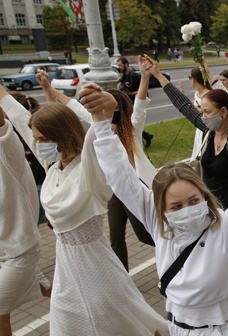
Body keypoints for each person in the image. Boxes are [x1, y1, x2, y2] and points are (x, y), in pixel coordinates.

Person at [89, 81, 228, 335]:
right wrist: (101, 123)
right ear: (162, 210)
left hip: (223, 330)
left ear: (205, 197)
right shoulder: (159, 225)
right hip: (178, 328)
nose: (186, 209)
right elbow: (123, 179)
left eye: (193, 201)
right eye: (175, 206)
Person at [0, 83, 168, 335]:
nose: (39, 144)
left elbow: (99, 134)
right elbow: (19, 116)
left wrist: (108, 109)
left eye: (44, 139)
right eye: (37, 139)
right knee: (66, 323)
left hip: (95, 264)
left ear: (61, 135)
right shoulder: (53, 166)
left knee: (115, 320)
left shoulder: (90, 169)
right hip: (66, 264)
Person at [145, 58, 228, 305]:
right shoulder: (208, 131)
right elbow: (184, 106)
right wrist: (158, 75)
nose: (203, 117)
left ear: (224, 112)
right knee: (225, 266)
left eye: (208, 112)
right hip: (214, 213)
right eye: (203, 112)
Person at [0, 107, 51, 336]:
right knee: (52, 291)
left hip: (20, 251)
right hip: (3, 251)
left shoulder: (8, 150)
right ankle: (88, 300)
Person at [6, 93, 46, 224]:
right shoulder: (9, 131)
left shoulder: (30, 131)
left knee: (31, 223)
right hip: (25, 184)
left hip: (39, 184)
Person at [117, 56, 155, 147]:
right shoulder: (123, 76)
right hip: (127, 102)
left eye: (120, 65)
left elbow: (143, 90)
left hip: (135, 102)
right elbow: (119, 87)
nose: (119, 67)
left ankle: (143, 137)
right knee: (130, 123)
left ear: (126, 64)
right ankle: (146, 136)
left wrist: (130, 93)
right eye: (118, 65)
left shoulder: (134, 76)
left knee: (131, 123)